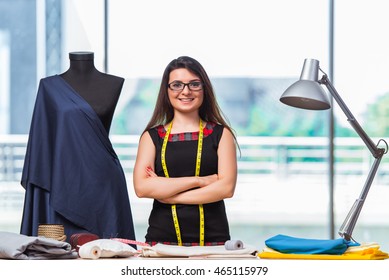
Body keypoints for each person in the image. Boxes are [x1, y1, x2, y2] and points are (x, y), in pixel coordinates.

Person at [20, 51, 136, 243]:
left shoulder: (114, 83)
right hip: (61, 181)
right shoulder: (48, 88)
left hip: (104, 184)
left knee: (109, 256)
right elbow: (41, 141)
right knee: (58, 255)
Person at [133, 56, 238, 246]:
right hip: (161, 243)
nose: (186, 91)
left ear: (204, 88)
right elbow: (142, 188)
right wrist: (200, 181)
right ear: (167, 90)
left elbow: (226, 188)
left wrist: (168, 194)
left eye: (194, 84)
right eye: (177, 85)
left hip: (214, 243)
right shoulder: (151, 137)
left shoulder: (222, 134)